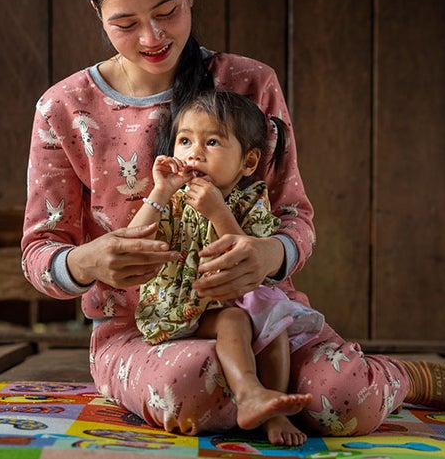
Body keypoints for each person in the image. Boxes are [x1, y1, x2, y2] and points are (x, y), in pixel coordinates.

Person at [21, 0, 445, 440]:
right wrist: (87, 261)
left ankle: (400, 377)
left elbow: (296, 219)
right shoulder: (64, 108)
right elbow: (39, 252)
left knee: (343, 399)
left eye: (167, 11)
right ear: (96, 13)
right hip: (144, 334)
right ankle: (255, 398)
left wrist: (267, 254)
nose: (151, 37)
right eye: (125, 24)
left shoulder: (248, 83)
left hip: (264, 318)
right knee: (188, 386)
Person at [132, 91, 325, 445]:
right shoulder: (173, 201)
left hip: (237, 300)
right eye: (185, 140)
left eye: (213, 141)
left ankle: (273, 407)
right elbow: (135, 239)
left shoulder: (252, 201)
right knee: (235, 320)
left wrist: (219, 212)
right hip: (182, 307)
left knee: (274, 322)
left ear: (248, 162)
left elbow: (248, 259)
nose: (194, 152)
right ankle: (250, 392)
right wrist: (159, 193)